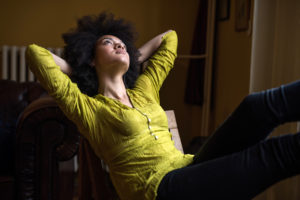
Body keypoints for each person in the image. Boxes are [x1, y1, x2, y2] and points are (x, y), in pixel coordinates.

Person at [25, 12, 300, 200]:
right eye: (109, 43)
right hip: (158, 191)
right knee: (278, 151)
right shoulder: (89, 110)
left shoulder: (145, 89)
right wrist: (81, 69)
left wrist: (131, 56)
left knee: (257, 106)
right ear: (91, 59)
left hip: (188, 167)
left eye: (123, 43)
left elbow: (170, 38)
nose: (119, 46)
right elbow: (35, 53)